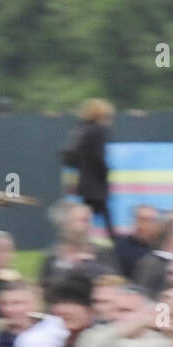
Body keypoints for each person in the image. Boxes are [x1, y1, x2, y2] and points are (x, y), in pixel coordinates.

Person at [61, 99, 116, 246]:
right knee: (103, 218)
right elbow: (99, 157)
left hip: (84, 183)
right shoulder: (98, 131)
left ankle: (79, 241)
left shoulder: (82, 129)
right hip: (96, 183)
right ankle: (116, 247)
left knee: (88, 216)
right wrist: (106, 173)